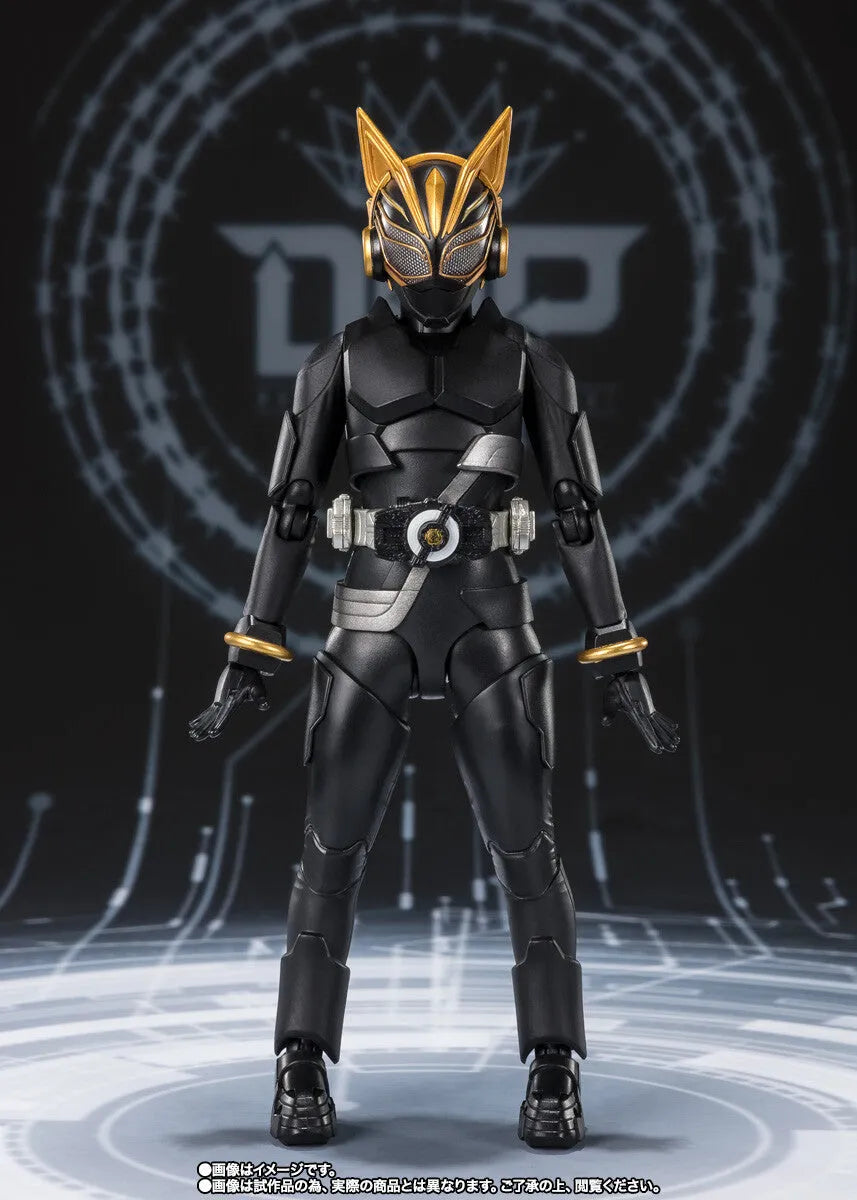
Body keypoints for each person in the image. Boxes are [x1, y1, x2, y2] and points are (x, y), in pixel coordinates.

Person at [190, 106, 679, 1149]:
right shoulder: (340, 361)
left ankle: (554, 1064)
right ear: (380, 245)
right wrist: (253, 643)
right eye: (416, 254)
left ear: (488, 245)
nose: (433, 277)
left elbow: (577, 516)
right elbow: (289, 512)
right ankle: (299, 1059)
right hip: (371, 619)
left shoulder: (529, 363)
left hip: (489, 619)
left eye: (452, 254)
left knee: (526, 849)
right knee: (329, 848)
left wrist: (617, 649)